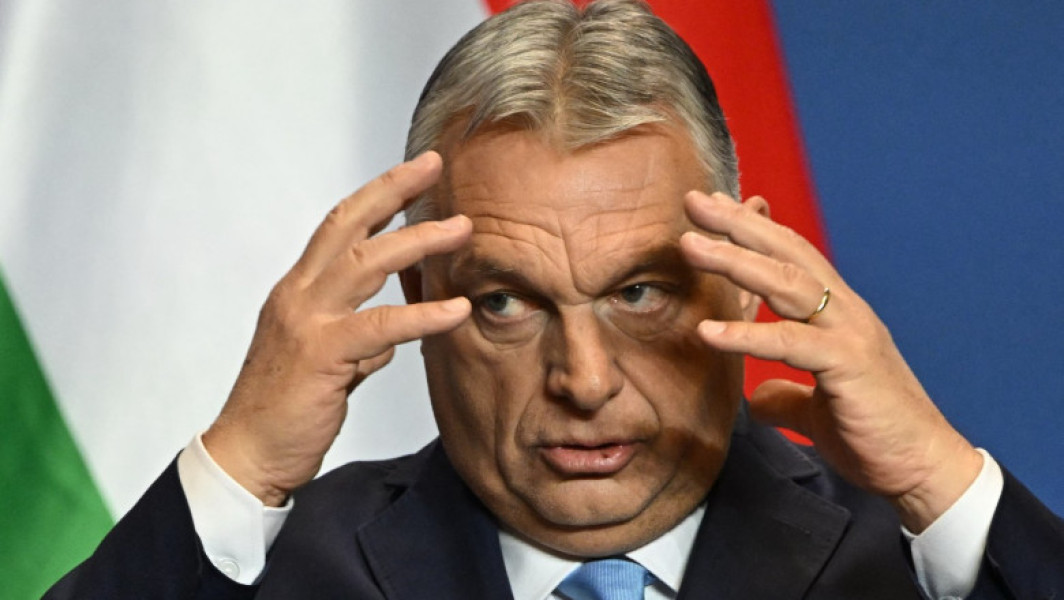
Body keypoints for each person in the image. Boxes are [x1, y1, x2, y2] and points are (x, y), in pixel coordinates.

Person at [47, 1, 1063, 598]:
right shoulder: (282, 567)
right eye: (506, 304)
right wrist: (239, 463)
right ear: (417, 294)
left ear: (746, 272)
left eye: (638, 292)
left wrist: (942, 480)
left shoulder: (928, 559)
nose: (584, 380)